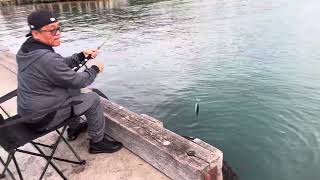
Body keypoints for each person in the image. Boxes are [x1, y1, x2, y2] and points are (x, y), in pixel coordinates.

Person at [16, 9, 122, 154]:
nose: (58, 33)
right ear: (36, 33)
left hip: (28, 114)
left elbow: (57, 65)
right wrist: (95, 69)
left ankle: (73, 129)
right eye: (52, 30)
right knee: (93, 98)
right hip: (43, 118)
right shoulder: (46, 58)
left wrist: (81, 56)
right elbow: (79, 81)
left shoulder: (27, 49)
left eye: (58, 28)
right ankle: (98, 142)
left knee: (71, 88)